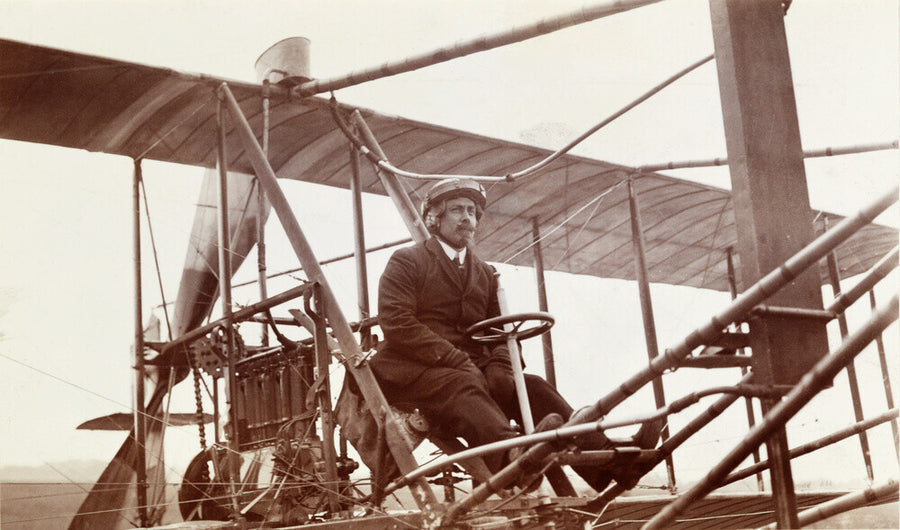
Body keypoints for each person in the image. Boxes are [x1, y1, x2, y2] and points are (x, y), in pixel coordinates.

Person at [370, 177, 656, 490]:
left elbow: (504, 332)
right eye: (456, 210)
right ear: (434, 219)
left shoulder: (485, 273)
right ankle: (513, 460)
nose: (467, 217)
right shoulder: (408, 261)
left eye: (472, 211)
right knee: (463, 385)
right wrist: (455, 358)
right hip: (417, 370)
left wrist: (500, 367)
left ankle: (611, 463)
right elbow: (397, 322)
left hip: (470, 369)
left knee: (534, 387)